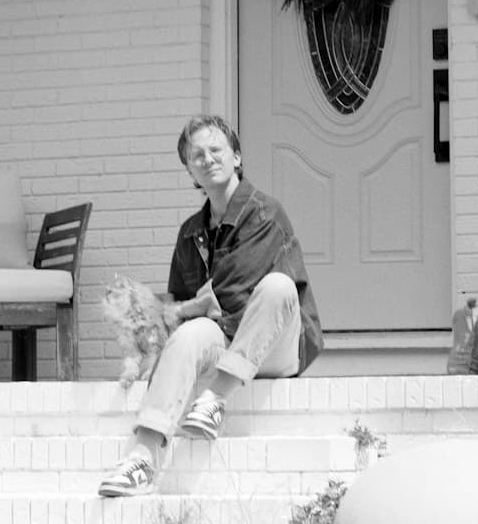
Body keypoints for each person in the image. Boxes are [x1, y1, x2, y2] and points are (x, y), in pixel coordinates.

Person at [97, 113, 323, 497]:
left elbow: (234, 294)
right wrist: (175, 316)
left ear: (236, 156)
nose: (208, 159)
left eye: (216, 149)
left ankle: (216, 397)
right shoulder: (190, 232)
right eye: (196, 155)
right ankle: (143, 456)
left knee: (277, 287)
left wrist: (188, 308)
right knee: (189, 335)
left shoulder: (264, 212)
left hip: (276, 344)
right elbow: (178, 307)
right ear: (190, 170)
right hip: (226, 343)